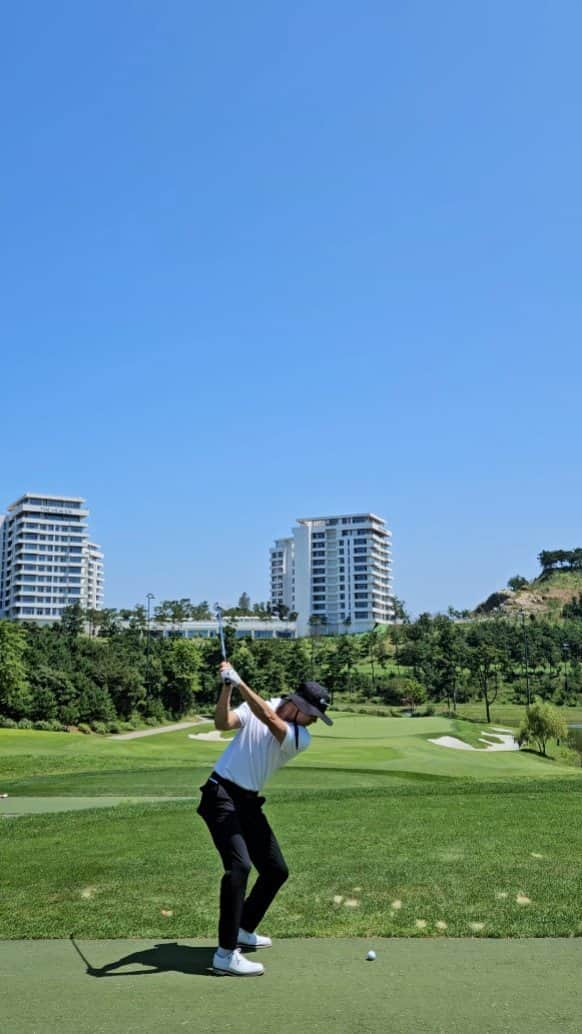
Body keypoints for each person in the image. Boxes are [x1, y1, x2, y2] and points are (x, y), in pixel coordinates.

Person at [197, 660, 333, 977]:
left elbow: (269, 718)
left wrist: (240, 680)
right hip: (221, 795)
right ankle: (225, 954)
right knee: (239, 867)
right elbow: (223, 723)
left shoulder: (300, 736)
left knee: (275, 870)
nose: (313, 722)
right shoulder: (260, 705)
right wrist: (227, 689)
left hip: (247, 802)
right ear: (299, 706)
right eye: (313, 715)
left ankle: (243, 928)